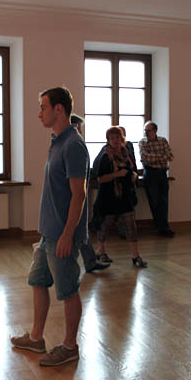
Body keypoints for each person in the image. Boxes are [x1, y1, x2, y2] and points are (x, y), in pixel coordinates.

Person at [10, 87, 89, 366]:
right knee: (38, 281)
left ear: (59, 109)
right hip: (48, 234)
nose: (39, 113)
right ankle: (36, 338)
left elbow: (79, 195)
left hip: (62, 235)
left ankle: (70, 347)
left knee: (68, 290)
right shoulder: (57, 141)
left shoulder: (73, 145)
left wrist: (68, 235)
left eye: (43, 107)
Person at [95, 127, 147, 267]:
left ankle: (135, 255)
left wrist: (133, 175)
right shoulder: (105, 156)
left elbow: (132, 170)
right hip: (108, 196)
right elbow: (100, 178)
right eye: (112, 138)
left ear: (122, 138)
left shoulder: (126, 153)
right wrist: (116, 175)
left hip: (125, 195)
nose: (115, 141)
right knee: (105, 224)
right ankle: (101, 251)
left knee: (130, 224)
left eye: (117, 138)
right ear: (108, 140)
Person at [70, 114, 110, 273]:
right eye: (80, 127)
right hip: (75, 195)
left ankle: (90, 261)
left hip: (78, 193)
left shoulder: (72, 144)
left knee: (81, 229)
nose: (81, 131)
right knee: (77, 229)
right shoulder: (74, 144)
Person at [139, 121, 174, 237]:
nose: (146, 132)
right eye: (145, 130)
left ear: (155, 131)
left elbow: (170, 156)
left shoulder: (163, 140)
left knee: (164, 202)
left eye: (148, 130)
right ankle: (161, 227)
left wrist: (153, 157)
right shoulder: (142, 142)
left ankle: (164, 228)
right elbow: (145, 158)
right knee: (154, 202)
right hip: (150, 174)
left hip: (162, 174)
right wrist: (161, 157)